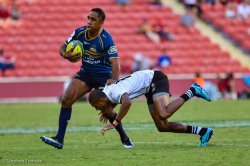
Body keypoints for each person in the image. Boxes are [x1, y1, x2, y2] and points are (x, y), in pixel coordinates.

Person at [40, 8, 133, 149]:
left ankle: (124, 137)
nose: (89, 21)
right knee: (66, 99)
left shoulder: (106, 39)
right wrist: (65, 54)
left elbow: (115, 62)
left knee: (107, 110)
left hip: (103, 76)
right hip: (86, 73)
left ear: (101, 22)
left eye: (93, 19)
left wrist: (113, 81)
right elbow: (63, 46)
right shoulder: (79, 32)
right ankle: (59, 139)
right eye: (88, 18)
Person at [88, 70, 214, 147]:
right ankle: (203, 132)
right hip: (148, 88)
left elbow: (127, 102)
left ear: (101, 100)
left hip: (156, 79)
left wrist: (115, 122)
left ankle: (193, 90)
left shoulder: (113, 92)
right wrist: (108, 110)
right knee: (162, 126)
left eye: (96, 106)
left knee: (163, 113)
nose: (96, 109)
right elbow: (117, 99)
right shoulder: (107, 93)